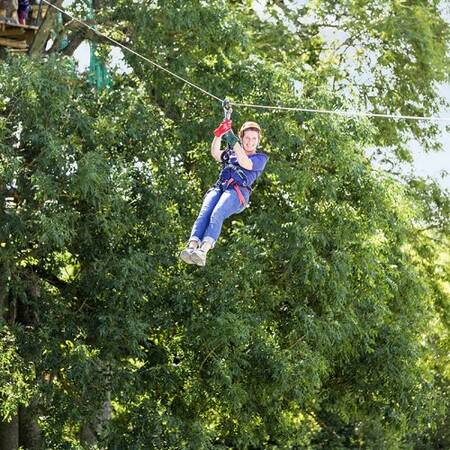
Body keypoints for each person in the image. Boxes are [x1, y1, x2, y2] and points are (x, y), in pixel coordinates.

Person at [180, 119, 268, 266]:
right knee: (205, 213)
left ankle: (204, 250)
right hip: (220, 187)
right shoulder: (232, 153)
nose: (250, 141)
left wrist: (234, 142)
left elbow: (245, 163)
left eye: (254, 138)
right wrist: (219, 134)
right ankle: (192, 246)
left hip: (237, 192)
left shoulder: (260, 158)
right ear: (242, 138)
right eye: (247, 138)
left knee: (218, 212)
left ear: (258, 141)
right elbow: (215, 153)